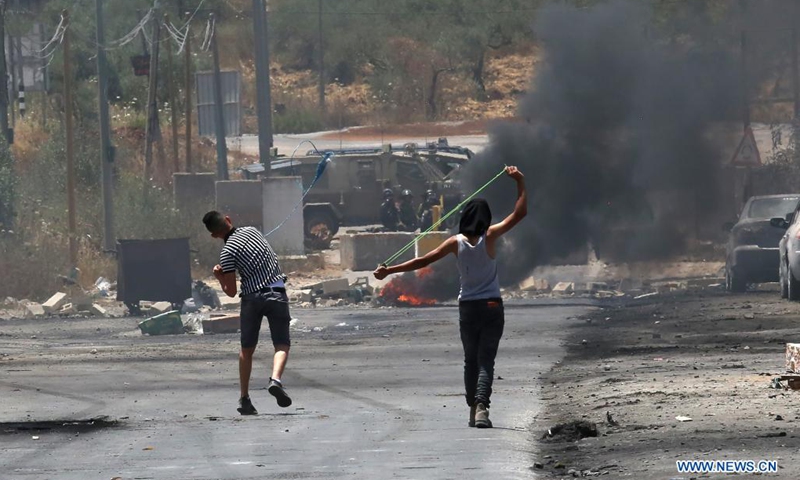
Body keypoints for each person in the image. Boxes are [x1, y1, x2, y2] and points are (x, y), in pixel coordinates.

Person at [373, 166, 527, 428]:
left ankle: (472, 407)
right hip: (491, 306)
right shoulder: (490, 236)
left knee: (471, 360)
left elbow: (421, 261)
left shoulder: (456, 242)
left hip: (467, 308)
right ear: (486, 218)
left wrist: (389, 271)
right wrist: (520, 181)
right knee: (485, 360)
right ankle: (481, 407)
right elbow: (519, 213)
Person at [202, 211, 294, 415]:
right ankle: (276, 380)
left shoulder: (226, 254)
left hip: (252, 299)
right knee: (281, 344)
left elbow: (231, 291)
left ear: (214, 235)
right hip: (276, 293)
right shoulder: (253, 231)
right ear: (228, 219)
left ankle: (244, 398)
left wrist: (219, 276)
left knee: (247, 350)